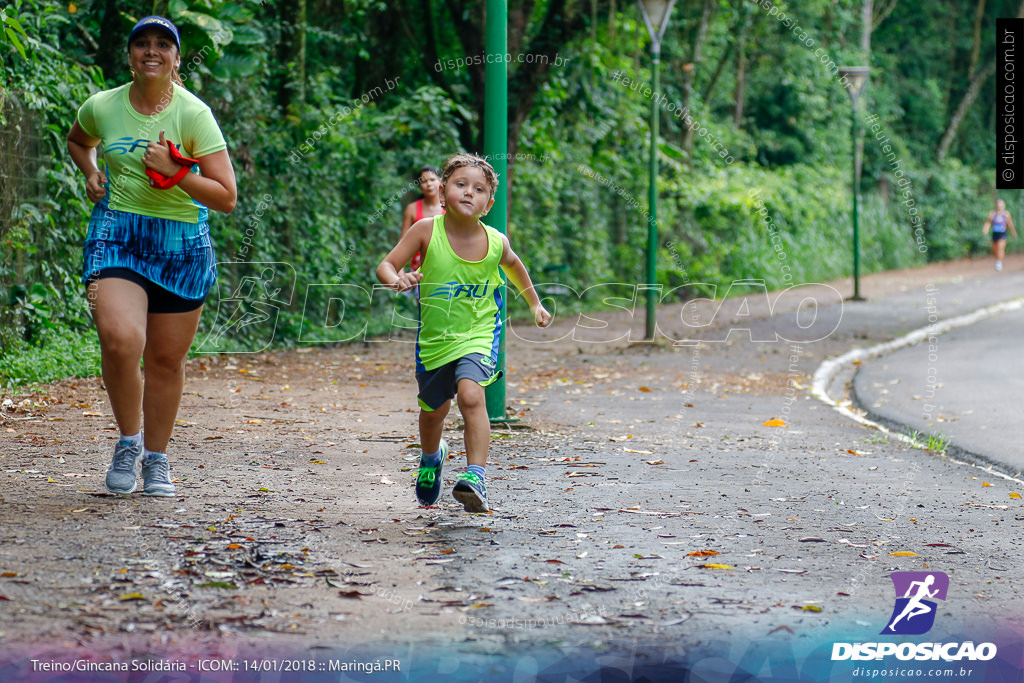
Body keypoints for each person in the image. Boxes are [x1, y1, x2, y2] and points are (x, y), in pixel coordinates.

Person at [67, 16, 236, 496]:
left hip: (182, 243)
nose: (151, 51)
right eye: (142, 43)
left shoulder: (193, 114)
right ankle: (128, 440)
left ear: (177, 58)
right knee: (120, 340)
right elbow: (79, 141)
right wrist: (91, 169)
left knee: (165, 359)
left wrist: (176, 172)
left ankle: (156, 459)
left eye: (163, 44)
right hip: (117, 231)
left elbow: (226, 197)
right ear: (130, 55)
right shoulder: (103, 105)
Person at [376, 153, 551, 512]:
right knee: (433, 412)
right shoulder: (426, 230)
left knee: (471, 396)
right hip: (436, 341)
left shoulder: (496, 241)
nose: (469, 192)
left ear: (488, 203)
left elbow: (516, 267)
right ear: (441, 193)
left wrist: (534, 304)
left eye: (479, 189)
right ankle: (430, 459)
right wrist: (398, 280)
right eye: (460, 185)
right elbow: (386, 265)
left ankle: (476, 477)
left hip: (479, 333)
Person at [399, 165, 444, 272]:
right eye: (424, 181)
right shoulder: (412, 209)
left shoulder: (451, 207)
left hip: (446, 269)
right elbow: (403, 241)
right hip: (418, 272)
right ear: (420, 186)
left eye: (432, 180)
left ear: (440, 182)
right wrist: (400, 269)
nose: (429, 184)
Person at [982, 198, 1016, 271]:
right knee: (995, 250)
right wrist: (986, 229)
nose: (999, 206)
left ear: (1004, 206)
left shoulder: (1006, 214)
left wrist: (1013, 232)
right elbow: (988, 222)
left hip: (1003, 234)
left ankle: (999, 263)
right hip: (995, 234)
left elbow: (1010, 224)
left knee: (1000, 247)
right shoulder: (993, 214)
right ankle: (997, 260)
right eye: (998, 205)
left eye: (1001, 205)